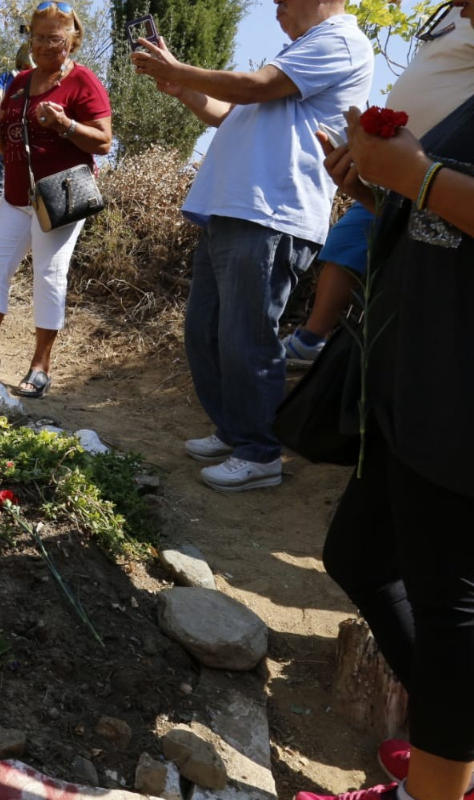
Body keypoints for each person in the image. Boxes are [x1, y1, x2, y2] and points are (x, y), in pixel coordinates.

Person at [302, 7, 474, 800]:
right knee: (360, 558)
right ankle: (452, 743)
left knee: (450, 610)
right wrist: (382, 190)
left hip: (458, 395)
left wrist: (419, 178)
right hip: (415, 376)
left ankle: (440, 780)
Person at [130, 0, 372, 492]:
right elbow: (226, 114)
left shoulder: (341, 39)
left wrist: (182, 68)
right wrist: (183, 88)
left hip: (271, 211)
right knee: (208, 331)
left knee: (248, 337)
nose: (276, 4)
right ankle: (237, 431)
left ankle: (260, 452)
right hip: (235, 207)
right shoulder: (300, 50)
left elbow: (256, 87)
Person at [280, 1, 474, 368]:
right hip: (403, 175)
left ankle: (315, 341)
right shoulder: (453, 17)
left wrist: (419, 174)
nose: (462, 10)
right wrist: (376, 186)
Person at [0, 0, 112, 398]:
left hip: (59, 196)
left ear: (72, 41)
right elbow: (6, 137)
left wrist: (66, 124)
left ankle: (40, 366)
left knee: (48, 274)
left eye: (53, 39)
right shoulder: (20, 81)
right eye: (37, 37)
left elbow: (104, 141)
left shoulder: (83, 82)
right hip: (15, 194)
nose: (43, 45)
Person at [0, 43, 35, 204]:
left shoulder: (40, 78)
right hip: (7, 138)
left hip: (19, 138)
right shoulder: (10, 77)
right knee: (4, 187)